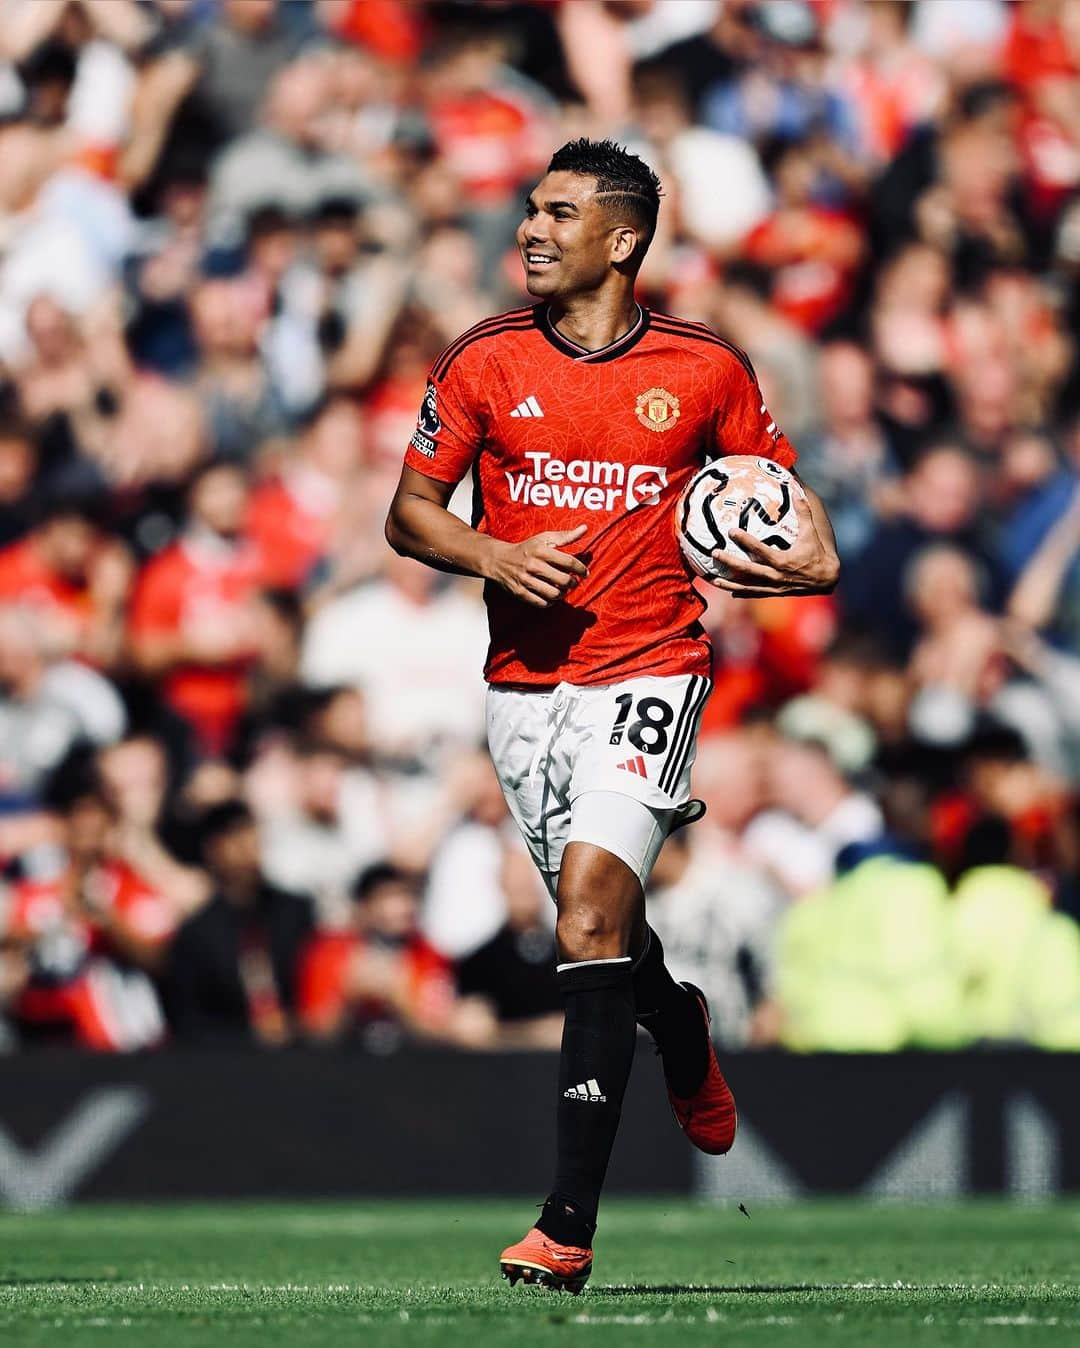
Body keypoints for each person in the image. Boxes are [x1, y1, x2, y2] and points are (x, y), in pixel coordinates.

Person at [386, 138, 839, 1292]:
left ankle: (565, 1227)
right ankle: (677, 1022)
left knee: (589, 914)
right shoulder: (484, 361)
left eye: (560, 212)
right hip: (524, 688)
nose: (531, 230)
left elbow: (797, 526)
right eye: (530, 210)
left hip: (653, 666)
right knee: (602, 936)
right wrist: (494, 551)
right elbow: (409, 514)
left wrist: (790, 562)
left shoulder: (704, 369)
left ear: (623, 239)